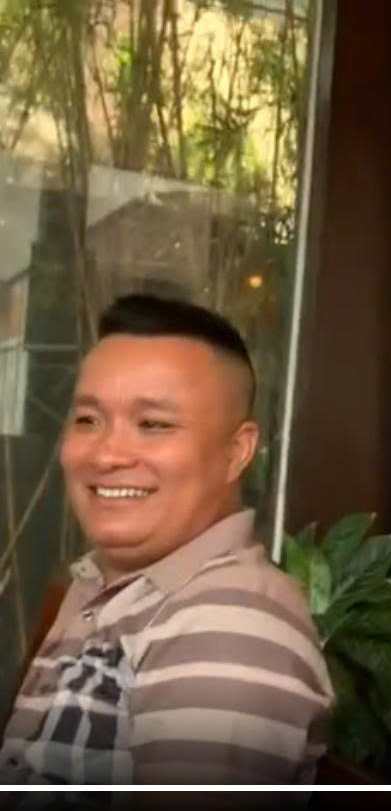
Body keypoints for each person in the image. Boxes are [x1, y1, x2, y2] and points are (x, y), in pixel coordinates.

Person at [0, 294, 333, 785]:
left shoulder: (230, 625)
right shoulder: (106, 589)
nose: (106, 454)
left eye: (153, 424)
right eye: (88, 419)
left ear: (237, 451)